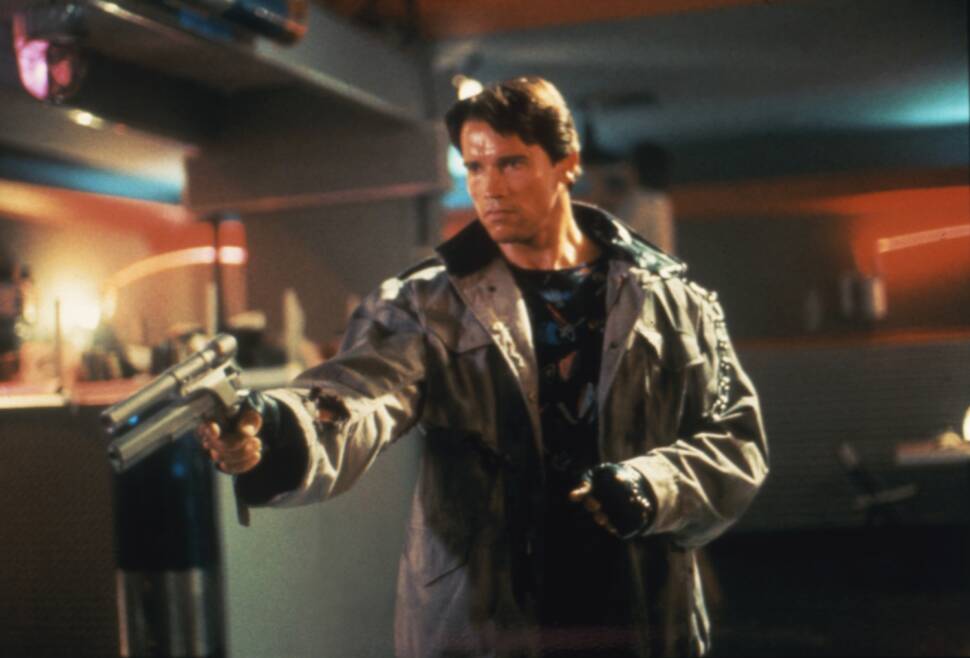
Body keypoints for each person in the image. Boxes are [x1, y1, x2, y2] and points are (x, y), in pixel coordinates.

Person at [198, 77, 768, 657]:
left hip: (638, 613)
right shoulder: (426, 304)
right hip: (486, 623)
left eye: (511, 163)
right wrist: (277, 427)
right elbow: (360, 393)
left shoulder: (672, 300)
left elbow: (737, 442)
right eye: (474, 167)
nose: (489, 187)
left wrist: (652, 485)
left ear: (567, 163)